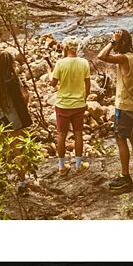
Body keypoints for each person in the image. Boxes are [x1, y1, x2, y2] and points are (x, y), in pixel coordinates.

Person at [97, 29, 133, 192]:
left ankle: (125, 176)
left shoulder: (124, 58)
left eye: (117, 41)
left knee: (120, 139)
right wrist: (116, 40)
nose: (114, 43)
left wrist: (112, 42)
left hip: (125, 106)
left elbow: (101, 56)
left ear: (122, 43)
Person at [0, 52, 32, 195]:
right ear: (12, 64)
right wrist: (22, 106)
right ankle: (21, 183)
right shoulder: (15, 80)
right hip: (14, 118)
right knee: (17, 151)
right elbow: (25, 96)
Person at [50, 36, 91, 175]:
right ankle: (79, 165)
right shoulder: (84, 63)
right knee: (78, 134)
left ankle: (62, 166)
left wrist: (50, 74)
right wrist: (83, 98)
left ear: (66, 48)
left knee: (61, 135)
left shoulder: (60, 63)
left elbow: (53, 83)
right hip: (78, 104)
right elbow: (88, 85)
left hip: (62, 104)